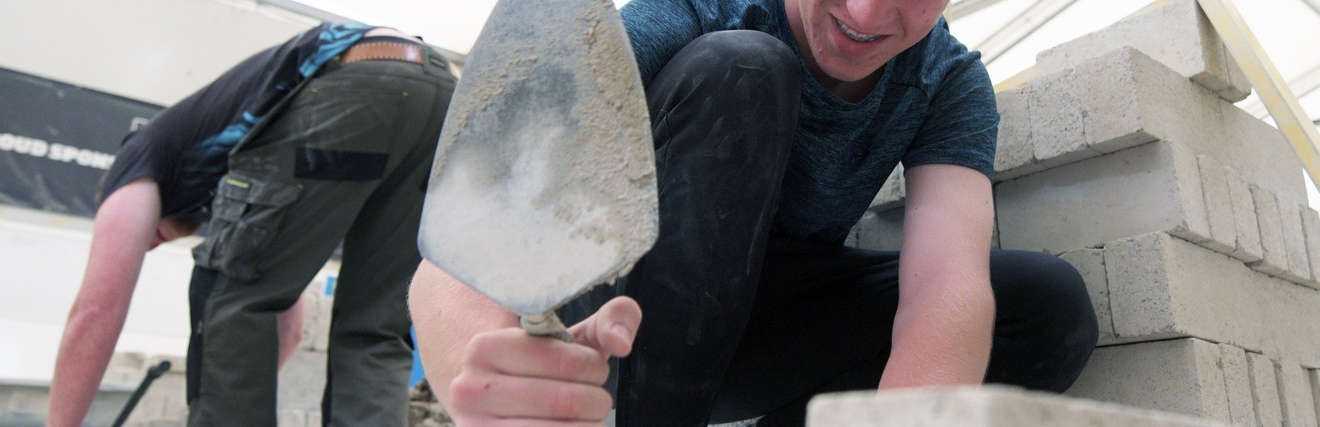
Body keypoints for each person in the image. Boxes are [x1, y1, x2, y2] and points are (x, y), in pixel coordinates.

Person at [407, 0, 1098, 426]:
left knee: (1046, 307)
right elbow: (462, 245)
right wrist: (491, 381)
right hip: (630, 321)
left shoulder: (947, 79)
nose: (864, 14)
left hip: (764, 320)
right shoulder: (703, 6)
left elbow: (946, 285)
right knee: (746, 67)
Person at [46, 23, 455, 427]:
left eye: (148, 239)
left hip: (360, 80)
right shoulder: (231, 174)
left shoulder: (138, 161)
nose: (148, 244)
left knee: (227, 300)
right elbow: (289, 323)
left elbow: (95, 312)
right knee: (374, 330)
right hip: (440, 92)